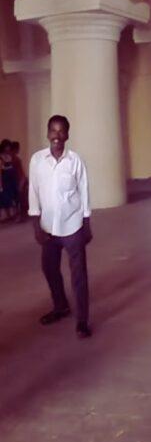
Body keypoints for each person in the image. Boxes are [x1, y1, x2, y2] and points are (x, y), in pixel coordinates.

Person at [28, 115, 93, 338]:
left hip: (73, 225)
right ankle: (60, 306)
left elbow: (84, 191)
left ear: (67, 135)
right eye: (53, 131)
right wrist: (35, 223)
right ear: (47, 134)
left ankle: (82, 322)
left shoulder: (75, 161)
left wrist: (86, 223)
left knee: (79, 275)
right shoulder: (37, 160)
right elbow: (33, 192)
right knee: (49, 268)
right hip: (48, 227)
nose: (57, 135)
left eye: (61, 131)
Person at [0, 139, 18, 222]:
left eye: (8, 147)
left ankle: (13, 214)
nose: (7, 148)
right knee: (5, 198)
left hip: (12, 178)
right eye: (6, 147)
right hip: (5, 179)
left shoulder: (10, 156)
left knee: (12, 196)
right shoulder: (1, 157)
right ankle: (7, 215)